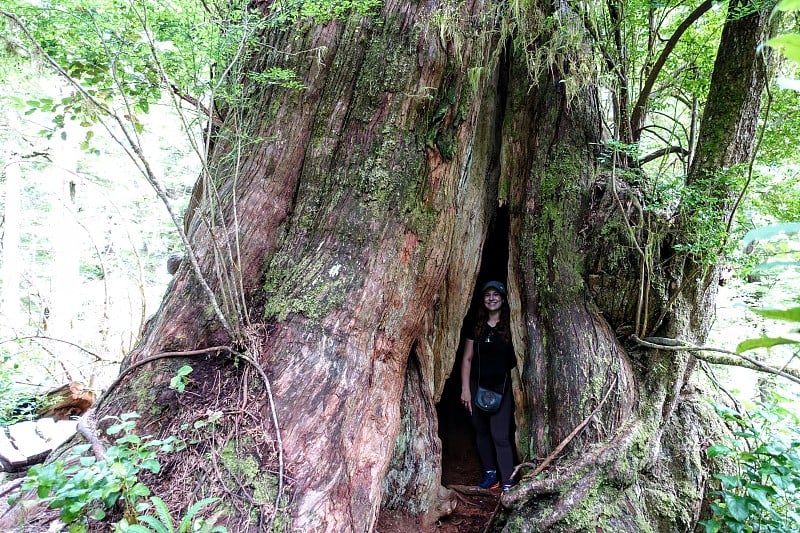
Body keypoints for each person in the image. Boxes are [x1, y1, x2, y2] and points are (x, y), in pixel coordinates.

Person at [460, 280, 517, 492]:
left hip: (502, 387)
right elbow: (467, 359)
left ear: (503, 298)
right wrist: (465, 389)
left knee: (500, 435)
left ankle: (508, 480)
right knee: (481, 430)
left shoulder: (511, 326)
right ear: (483, 299)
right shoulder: (477, 326)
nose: (491, 298)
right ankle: (491, 474)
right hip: (477, 386)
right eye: (487, 295)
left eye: (496, 294)